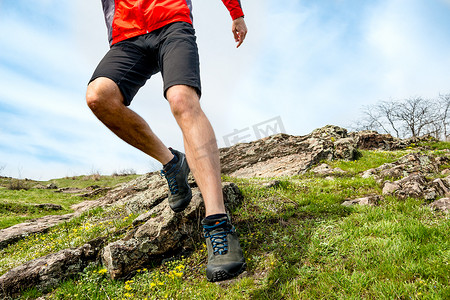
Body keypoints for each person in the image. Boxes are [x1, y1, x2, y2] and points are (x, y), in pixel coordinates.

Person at [85, 0, 248, 282]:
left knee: (182, 100)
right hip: (127, 35)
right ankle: (172, 163)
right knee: (98, 96)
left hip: (172, 22)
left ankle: (218, 224)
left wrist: (237, 14)